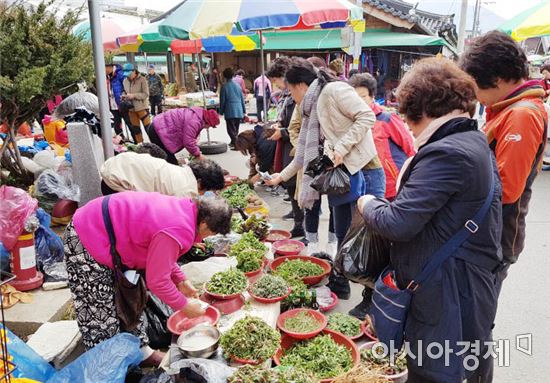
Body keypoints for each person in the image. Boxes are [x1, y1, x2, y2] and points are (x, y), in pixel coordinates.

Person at [359, 57, 502, 383]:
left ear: (426, 107)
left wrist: (367, 203)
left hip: (448, 290)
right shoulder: (471, 140)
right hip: (462, 283)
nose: (406, 122)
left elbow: (398, 222)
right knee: (460, 364)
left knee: (435, 370)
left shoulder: (448, 152)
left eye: (408, 113)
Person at [64, 193, 232, 366]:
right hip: (88, 233)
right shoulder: (178, 228)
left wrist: (181, 280)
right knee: (99, 312)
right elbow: (157, 282)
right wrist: (184, 305)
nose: (207, 237)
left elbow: (162, 254)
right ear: (204, 223)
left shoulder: (187, 212)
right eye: (211, 232)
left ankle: (141, 354)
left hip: (115, 237)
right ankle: (107, 368)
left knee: (131, 300)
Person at [460, 31, 547, 286]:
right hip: (487, 235)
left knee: (476, 317)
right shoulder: (509, 108)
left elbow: (505, 190)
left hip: (494, 239)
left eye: (475, 86)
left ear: (496, 79)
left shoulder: (521, 114)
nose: (475, 96)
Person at [349, 73, 415, 200]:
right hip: (362, 186)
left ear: (372, 96)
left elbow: (409, 148)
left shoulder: (387, 119)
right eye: (354, 97)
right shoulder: (349, 122)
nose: (358, 101)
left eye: (362, 97)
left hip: (391, 187)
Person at [266, 56, 304, 238]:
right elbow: (287, 122)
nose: (276, 85)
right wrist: (279, 128)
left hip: (295, 147)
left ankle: (301, 224)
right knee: (290, 185)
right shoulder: (287, 96)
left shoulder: (299, 97)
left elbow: (301, 128)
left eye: (275, 80)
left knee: (296, 186)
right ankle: (297, 217)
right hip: (288, 146)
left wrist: (283, 132)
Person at [100, 144, 225, 197]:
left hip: (114, 167)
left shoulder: (182, 171)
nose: (203, 194)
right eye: (207, 190)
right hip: (115, 184)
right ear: (200, 182)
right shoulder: (184, 191)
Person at [146, 107, 220, 165]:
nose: (208, 128)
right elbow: (188, 142)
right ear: (207, 122)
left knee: (165, 161)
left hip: (158, 129)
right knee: (171, 164)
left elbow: (189, 136)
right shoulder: (194, 121)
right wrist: (198, 155)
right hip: (157, 132)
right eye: (210, 126)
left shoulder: (197, 115)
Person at [122, 64, 150, 144]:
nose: (128, 76)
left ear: (134, 71)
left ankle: (155, 145)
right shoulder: (125, 81)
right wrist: (124, 96)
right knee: (136, 129)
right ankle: (140, 146)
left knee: (148, 128)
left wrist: (134, 95)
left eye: (129, 74)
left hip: (142, 108)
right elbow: (125, 91)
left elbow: (146, 94)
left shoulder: (142, 80)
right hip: (131, 109)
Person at [220, 68, 246, 149]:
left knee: (230, 129)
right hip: (239, 110)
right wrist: (244, 110)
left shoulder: (224, 87)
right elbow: (242, 99)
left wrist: (221, 111)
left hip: (230, 110)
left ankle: (236, 144)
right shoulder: (238, 86)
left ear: (224, 76)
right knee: (236, 128)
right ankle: (233, 142)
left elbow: (223, 101)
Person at [105, 63, 125, 137]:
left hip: (121, 103)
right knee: (117, 125)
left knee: (130, 124)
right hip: (112, 104)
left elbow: (125, 86)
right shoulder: (107, 76)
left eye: (104, 68)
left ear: (109, 67)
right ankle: (121, 139)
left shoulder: (120, 74)